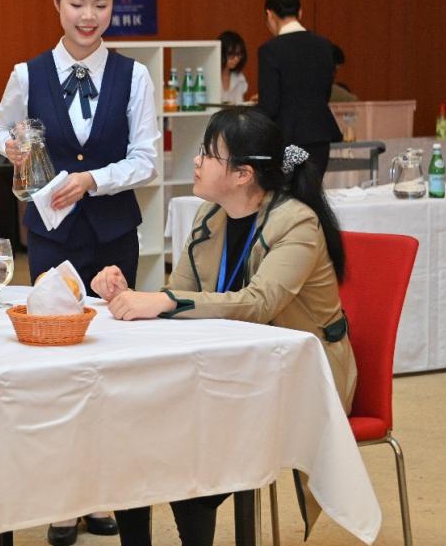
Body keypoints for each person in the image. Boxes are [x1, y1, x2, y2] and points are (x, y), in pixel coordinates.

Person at [91, 107, 357, 546]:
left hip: (303, 373)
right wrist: (127, 293)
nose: (196, 161)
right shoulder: (209, 217)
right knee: (134, 441)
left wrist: (162, 302)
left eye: (208, 154)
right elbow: (178, 294)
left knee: (191, 465)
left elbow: (258, 303)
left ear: (243, 174)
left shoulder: (298, 223)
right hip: (232, 368)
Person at [0, 0, 159, 546]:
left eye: (101, 4)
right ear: (56, 3)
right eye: (78, 3)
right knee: (55, 366)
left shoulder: (134, 76)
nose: (89, 16)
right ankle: (62, 500)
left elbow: (145, 160)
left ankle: (104, 493)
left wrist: (93, 179)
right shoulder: (28, 73)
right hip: (51, 234)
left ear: (114, 7)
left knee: (110, 364)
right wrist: (9, 146)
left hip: (114, 236)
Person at [256, 0, 342, 178]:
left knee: (288, 192)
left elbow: (270, 105)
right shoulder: (324, 46)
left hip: (288, 137)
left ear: (270, 15)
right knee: (312, 191)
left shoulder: (270, 50)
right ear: (300, 12)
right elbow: (324, 93)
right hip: (319, 134)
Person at [217, 31, 248, 104]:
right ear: (221, 53)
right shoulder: (209, 76)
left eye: (239, 54)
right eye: (231, 54)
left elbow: (239, 105)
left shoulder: (240, 78)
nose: (236, 59)